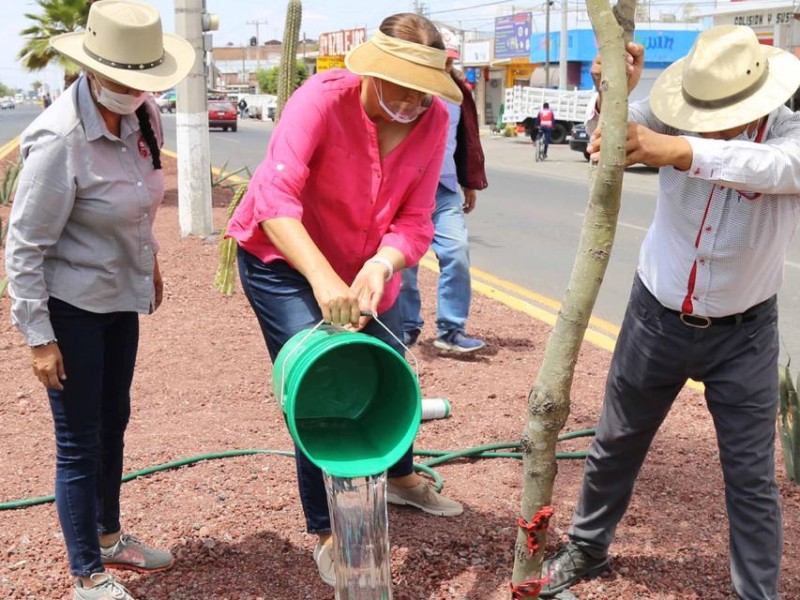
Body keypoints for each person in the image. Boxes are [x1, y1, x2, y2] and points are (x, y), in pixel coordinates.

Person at [540, 25, 800, 600]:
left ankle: (757, 591)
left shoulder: (789, 134)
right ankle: (587, 547)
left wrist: (681, 150)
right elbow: (604, 136)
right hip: (655, 315)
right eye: (697, 114)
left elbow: (779, 170)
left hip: (745, 333)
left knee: (751, 476)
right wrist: (613, 94)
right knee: (616, 440)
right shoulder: (676, 115)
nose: (703, 124)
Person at [225, 12, 465, 588]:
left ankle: (402, 478)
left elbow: (414, 218)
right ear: (373, 73)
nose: (412, 102)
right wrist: (323, 278)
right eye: (401, 87)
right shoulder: (321, 100)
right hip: (282, 262)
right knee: (320, 377)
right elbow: (274, 197)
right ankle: (328, 529)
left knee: (388, 363)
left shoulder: (433, 121)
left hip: (363, 266)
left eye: (423, 92)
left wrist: (383, 264)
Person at [4, 2, 194, 599]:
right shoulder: (59, 140)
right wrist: (39, 339)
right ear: (91, 70)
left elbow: (138, 199)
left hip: (118, 299)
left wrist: (152, 260)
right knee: (79, 440)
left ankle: (110, 536)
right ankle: (87, 573)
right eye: (122, 79)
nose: (132, 90)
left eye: (143, 79)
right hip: (71, 308)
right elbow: (25, 248)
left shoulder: (145, 118)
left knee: (115, 420)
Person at [399, 28, 488, 353]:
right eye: (441, 60)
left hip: (445, 189)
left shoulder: (457, 94)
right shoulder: (407, 90)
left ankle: (451, 331)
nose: (445, 66)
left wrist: (469, 182)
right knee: (404, 264)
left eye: (450, 60)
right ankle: (406, 327)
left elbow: (465, 140)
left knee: (457, 253)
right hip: (405, 191)